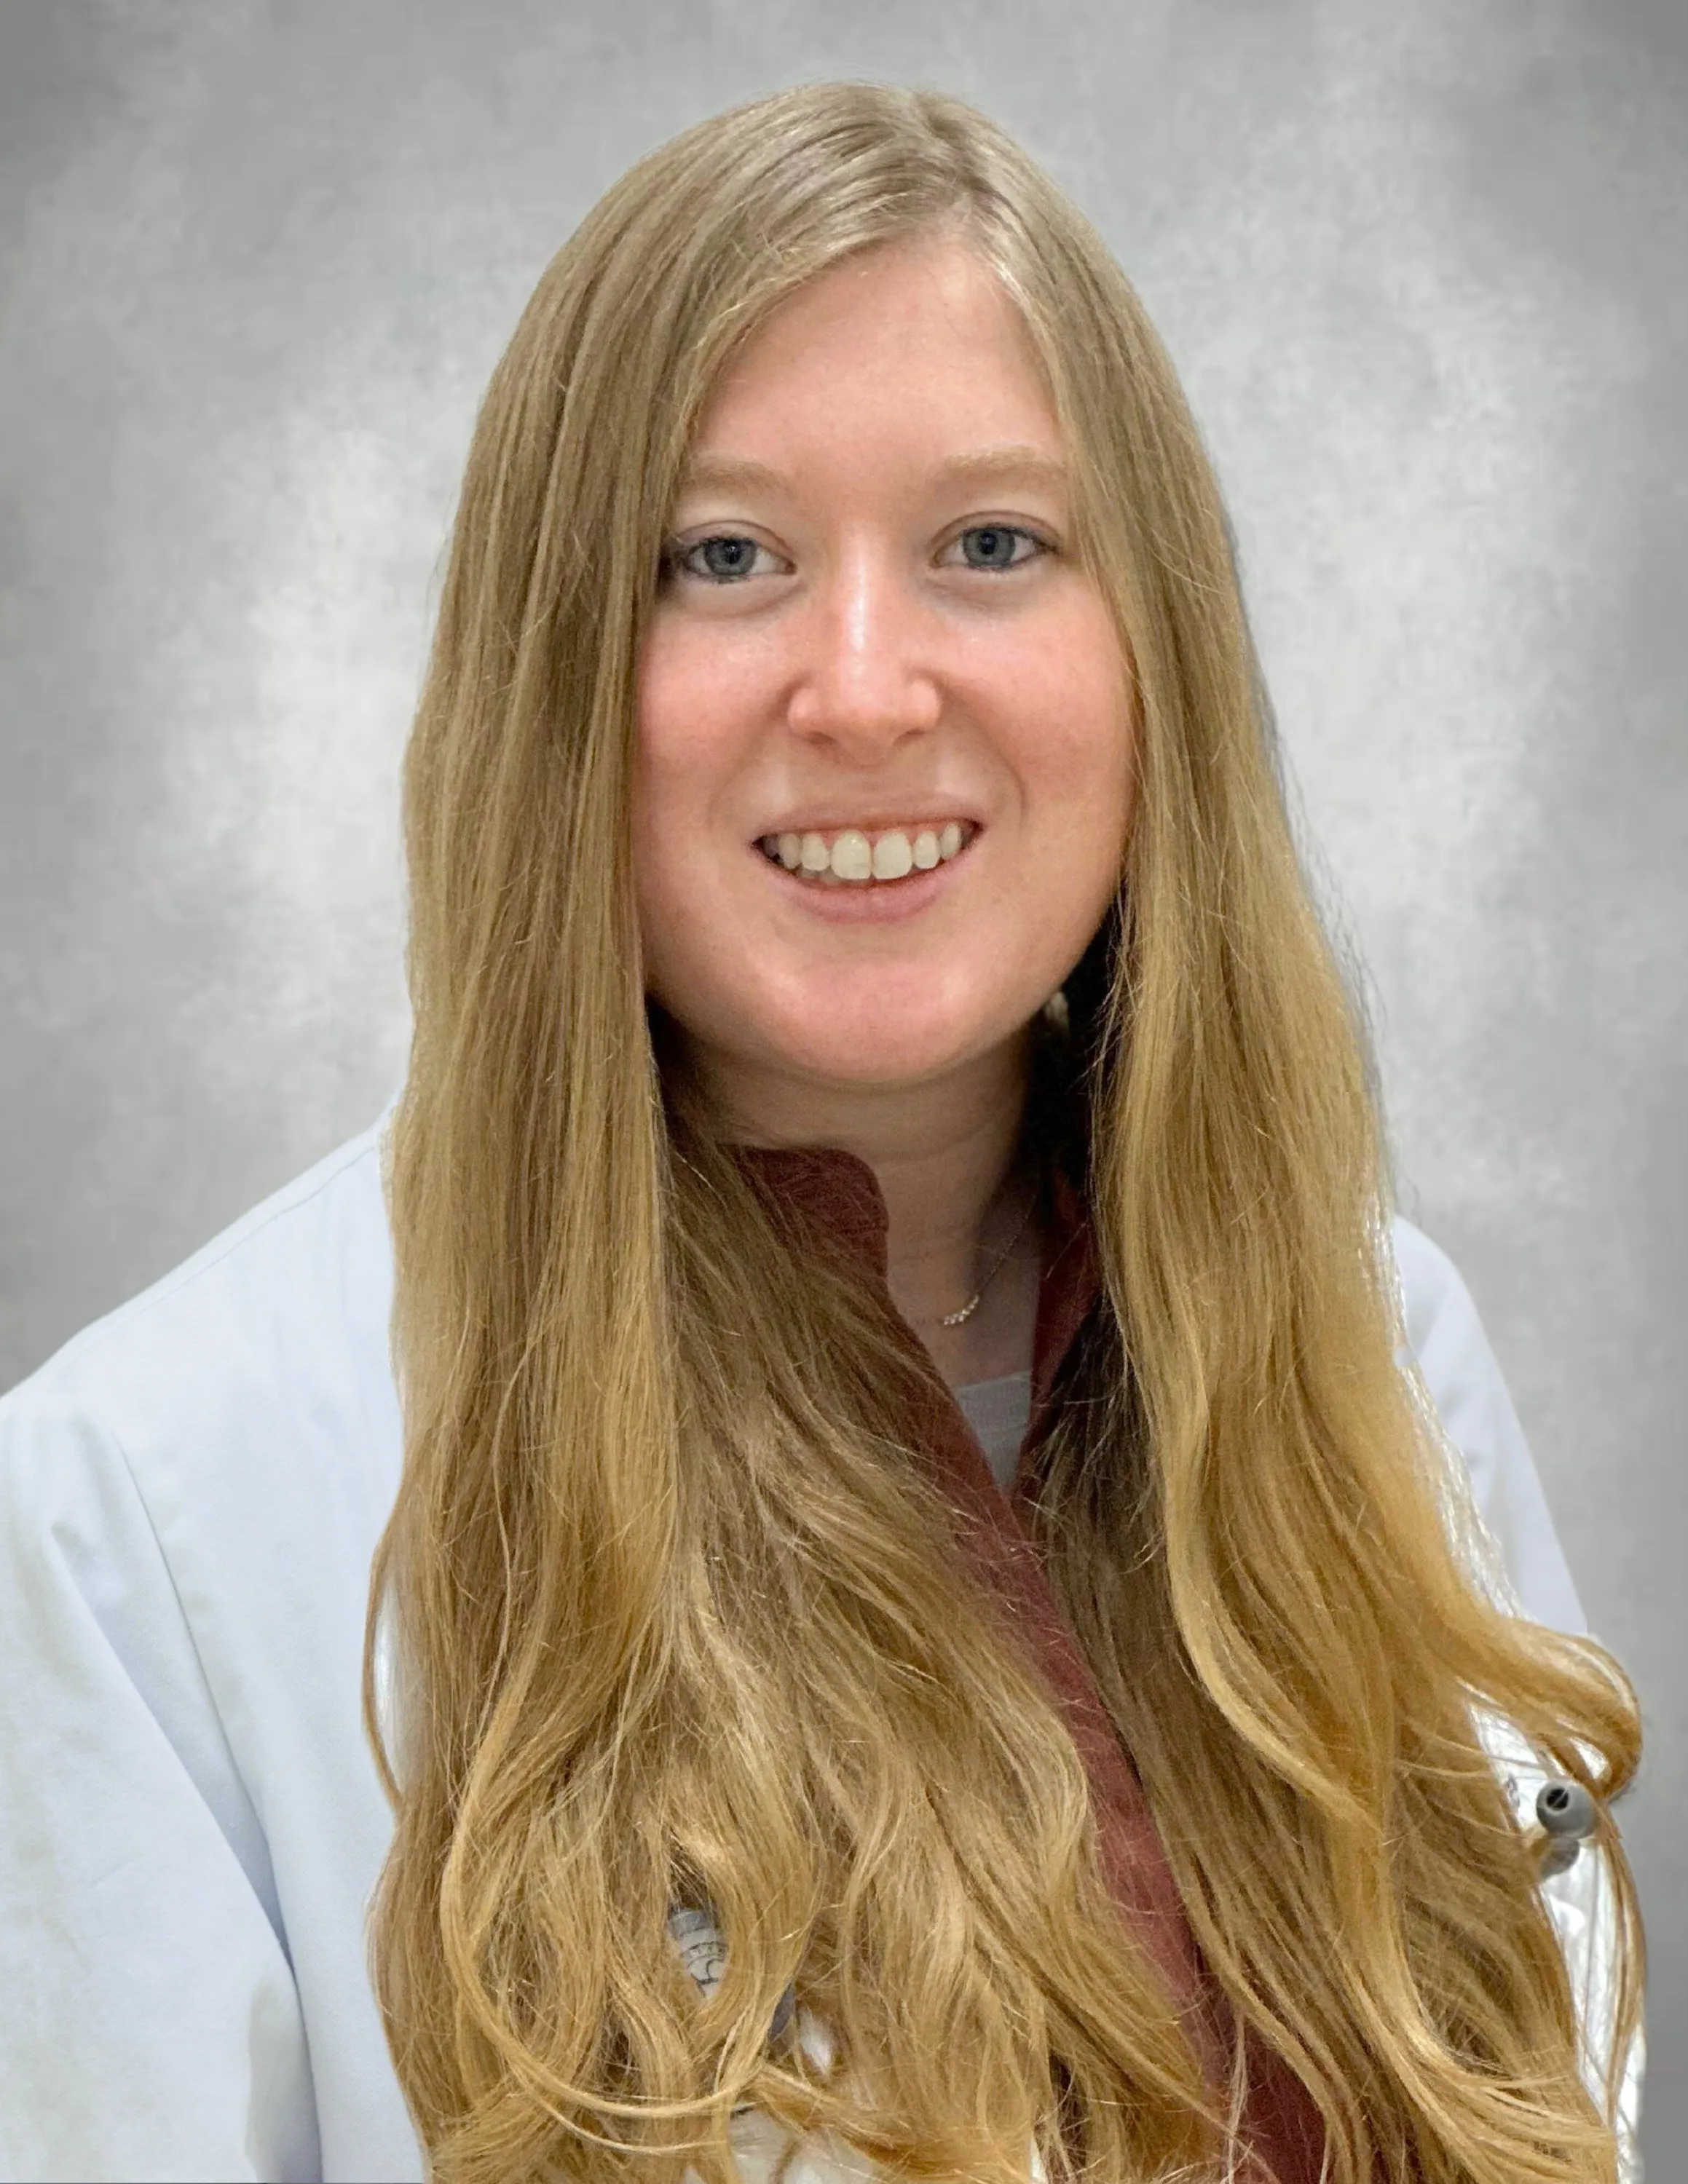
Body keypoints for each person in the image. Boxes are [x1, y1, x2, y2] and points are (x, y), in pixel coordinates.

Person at [0, 82, 1643, 2184]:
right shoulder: (140, 1520)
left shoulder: (1382, 1360)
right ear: (552, 680)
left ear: (1154, 660)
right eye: (723, 556)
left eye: (991, 545)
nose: (863, 689)